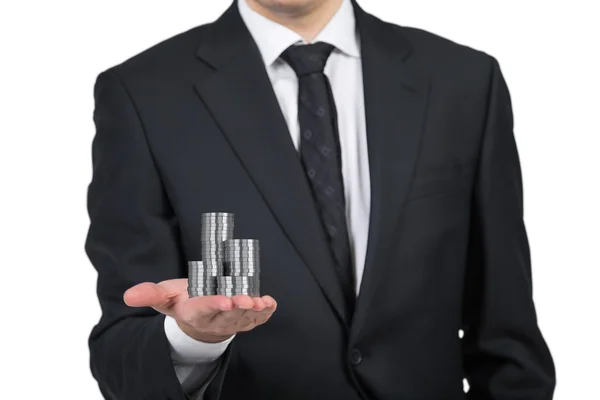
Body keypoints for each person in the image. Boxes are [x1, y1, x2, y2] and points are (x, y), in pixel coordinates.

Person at [86, 0, 556, 398]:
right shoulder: (142, 93)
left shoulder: (464, 80)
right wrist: (191, 339)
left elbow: (506, 331)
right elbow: (122, 353)